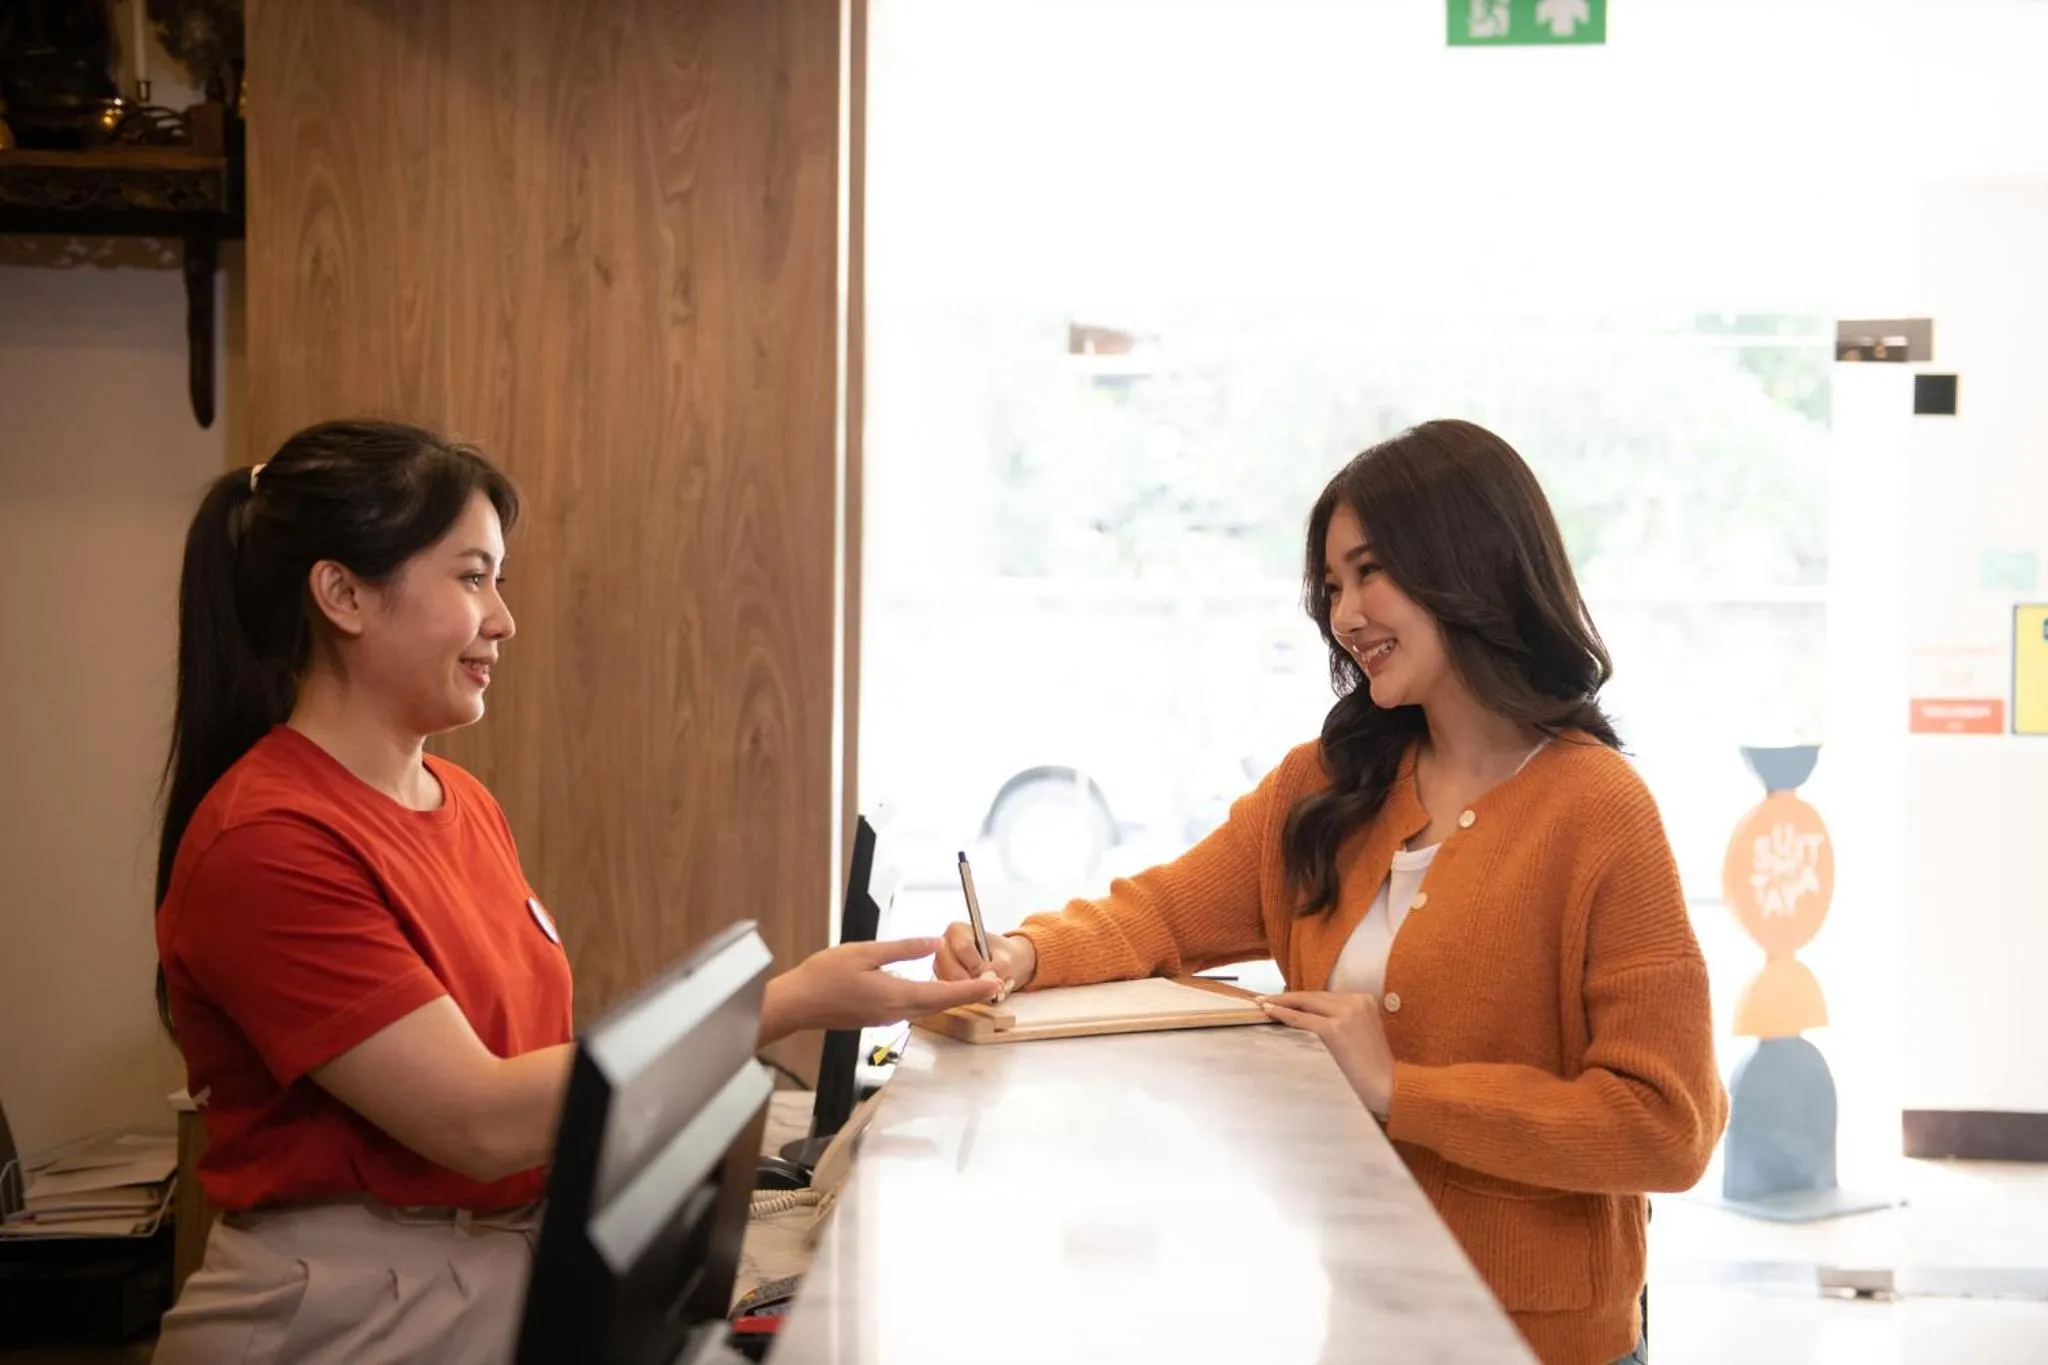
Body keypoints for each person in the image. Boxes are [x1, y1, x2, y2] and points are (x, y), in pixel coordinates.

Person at [151, 420, 1002, 1365]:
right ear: (343, 593)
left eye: (498, 581)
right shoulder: (268, 842)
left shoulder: (459, 800)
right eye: (472, 578)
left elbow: (522, 1068)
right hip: (356, 1315)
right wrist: (787, 1001)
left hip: (494, 1268)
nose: (502, 619)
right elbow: (476, 1119)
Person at [935, 420, 1727, 1365]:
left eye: (1370, 571)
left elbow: (1666, 1126)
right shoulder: (1326, 786)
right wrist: (1022, 952)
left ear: (1467, 563)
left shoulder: (1599, 810)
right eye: (1332, 586)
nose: (1345, 614)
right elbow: (1160, 912)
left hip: (1537, 1339)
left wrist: (1403, 1090)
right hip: (1357, 1310)